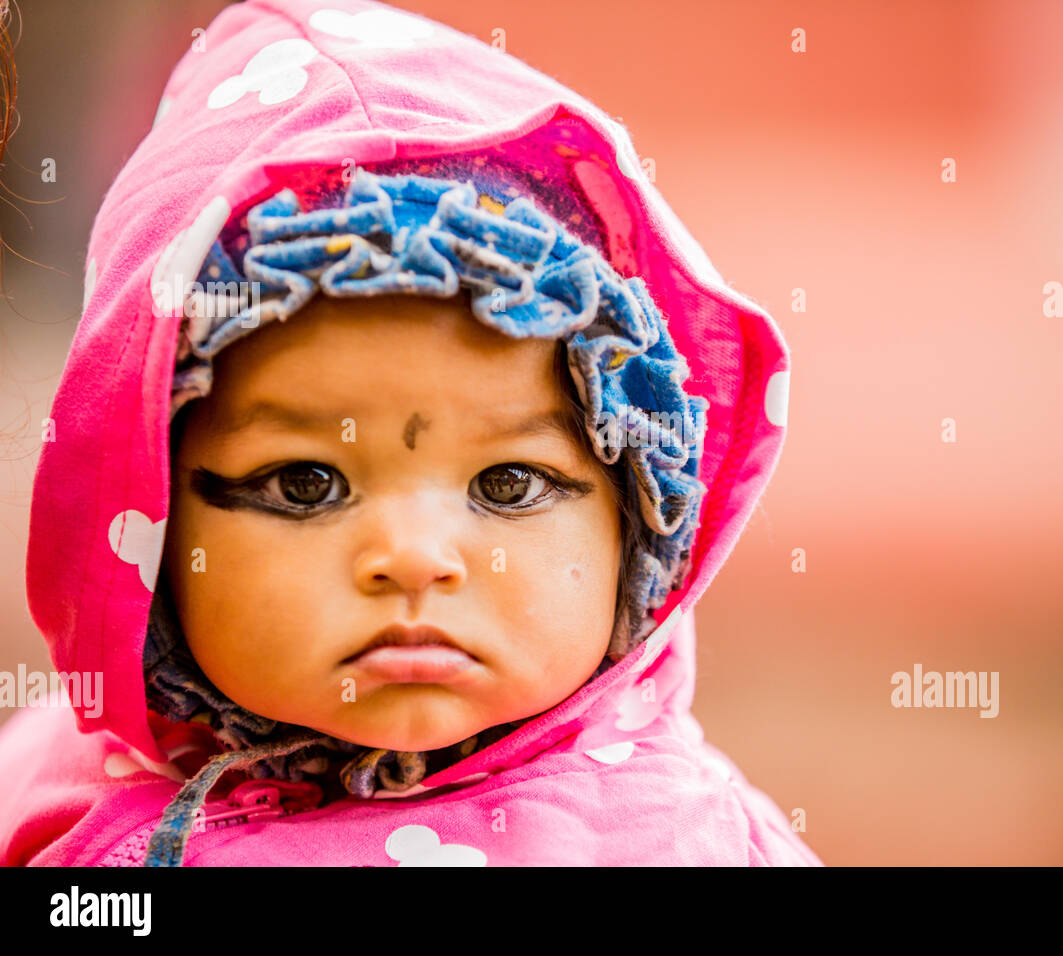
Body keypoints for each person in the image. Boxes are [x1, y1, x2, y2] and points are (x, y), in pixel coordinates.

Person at [0, 0, 816, 866]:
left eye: (507, 483)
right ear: (151, 529)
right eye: (305, 483)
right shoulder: (50, 793)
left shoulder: (682, 846)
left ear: (639, 524)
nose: (415, 558)